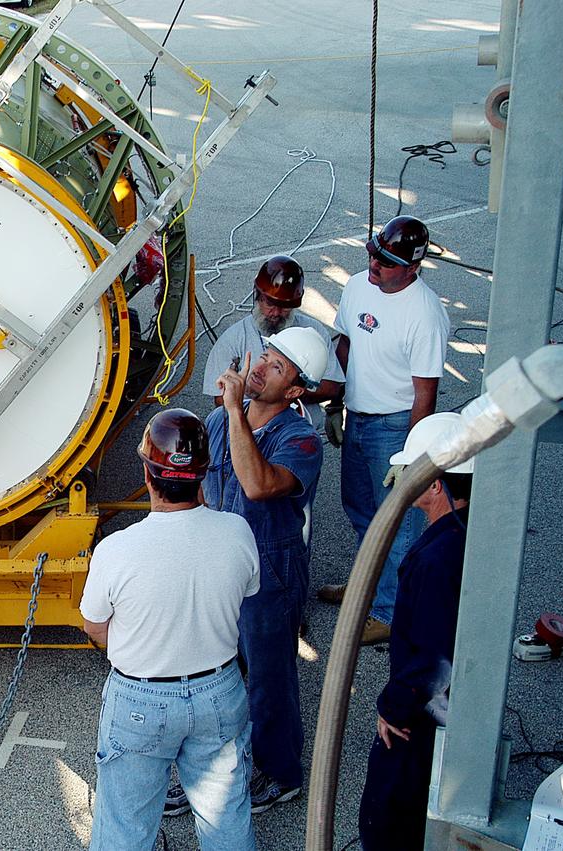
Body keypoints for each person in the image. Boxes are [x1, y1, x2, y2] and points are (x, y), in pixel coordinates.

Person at [81, 409, 260, 850]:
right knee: (226, 820)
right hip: (219, 690)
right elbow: (247, 594)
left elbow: (94, 626)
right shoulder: (237, 532)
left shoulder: (116, 550)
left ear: (147, 472)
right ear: (204, 473)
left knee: (125, 824)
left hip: (140, 699)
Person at [173, 327, 324, 819]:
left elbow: (258, 485)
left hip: (269, 576)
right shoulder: (218, 420)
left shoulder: (301, 440)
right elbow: (198, 490)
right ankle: (205, 768)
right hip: (218, 569)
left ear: (296, 391)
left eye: (277, 368)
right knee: (208, 675)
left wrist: (236, 411)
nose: (260, 367)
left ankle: (281, 775)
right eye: (265, 355)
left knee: (267, 679)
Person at [317, 216, 450, 645]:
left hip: (394, 426)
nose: (374, 264)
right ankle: (366, 589)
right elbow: (344, 344)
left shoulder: (425, 315)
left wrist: (411, 458)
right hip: (358, 416)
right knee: (360, 511)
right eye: (374, 253)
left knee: (395, 524)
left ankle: (389, 614)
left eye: (386, 261)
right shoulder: (358, 286)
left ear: (412, 268)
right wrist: (336, 403)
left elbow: (424, 395)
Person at [357, 414, 473, 850]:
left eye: (412, 473)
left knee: (389, 820)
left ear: (436, 484)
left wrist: (393, 707)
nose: (403, 482)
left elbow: (434, 660)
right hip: (444, 713)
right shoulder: (462, 534)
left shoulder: (435, 559)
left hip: (420, 718)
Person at [202, 255, 344, 432]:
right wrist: (274, 395)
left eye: (284, 307)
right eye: (269, 303)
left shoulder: (314, 332)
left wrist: (278, 393)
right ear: (257, 296)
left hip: (300, 431)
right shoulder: (232, 340)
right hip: (249, 432)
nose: (275, 313)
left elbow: (331, 387)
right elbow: (221, 399)